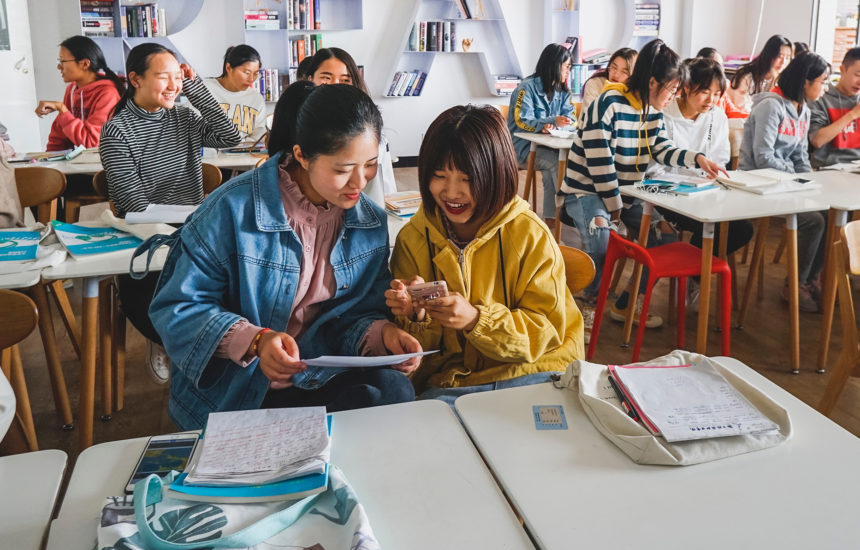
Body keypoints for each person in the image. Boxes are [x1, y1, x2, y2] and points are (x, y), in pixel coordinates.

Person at [144, 82, 421, 430]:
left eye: (369, 165)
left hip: (318, 377)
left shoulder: (367, 221)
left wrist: (383, 335)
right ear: (301, 155)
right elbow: (177, 308)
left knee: (393, 390)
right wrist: (256, 341)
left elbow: (357, 313)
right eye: (341, 169)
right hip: (241, 389)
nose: (359, 182)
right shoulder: (231, 210)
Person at [386, 104, 583, 404]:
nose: (452, 192)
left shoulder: (530, 235)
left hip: (533, 375)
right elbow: (418, 360)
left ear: (497, 173)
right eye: (439, 175)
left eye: (467, 179)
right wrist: (416, 318)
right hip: (453, 387)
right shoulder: (414, 239)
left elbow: (547, 330)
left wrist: (476, 320)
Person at [561, 39, 726, 340]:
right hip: (586, 192)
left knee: (664, 239)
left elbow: (661, 147)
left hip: (626, 194)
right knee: (602, 239)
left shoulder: (653, 111)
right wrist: (615, 211)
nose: (675, 96)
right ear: (653, 82)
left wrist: (697, 158)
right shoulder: (607, 104)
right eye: (673, 89)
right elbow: (600, 165)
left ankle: (625, 303)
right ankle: (586, 306)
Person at [100, 43, 241, 383]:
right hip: (147, 234)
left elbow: (231, 136)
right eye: (164, 77)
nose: (174, 85)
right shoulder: (117, 131)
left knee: (230, 284)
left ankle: (203, 347)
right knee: (158, 289)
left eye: (179, 77)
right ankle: (160, 338)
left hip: (193, 230)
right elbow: (135, 206)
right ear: (135, 78)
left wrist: (194, 88)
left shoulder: (185, 116)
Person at [650, 57, 754, 304]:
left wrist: (705, 178)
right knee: (709, 225)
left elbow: (720, 158)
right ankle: (688, 275)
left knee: (741, 229)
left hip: (704, 191)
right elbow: (655, 168)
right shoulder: (663, 113)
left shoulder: (716, 115)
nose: (711, 100)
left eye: (717, 93)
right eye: (705, 92)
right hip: (668, 194)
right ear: (686, 88)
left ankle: (693, 278)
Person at [739, 52, 831, 312]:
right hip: (757, 183)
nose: (825, 87)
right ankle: (795, 284)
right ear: (805, 81)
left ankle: (812, 278)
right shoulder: (771, 105)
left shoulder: (804, 111)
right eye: (822, 82)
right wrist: (797, 177)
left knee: (827, 211)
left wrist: (810, 183)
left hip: (785, 183)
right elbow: (763, 156)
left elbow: (801, 156)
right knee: (813, 221)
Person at [304, 47, 397, 207]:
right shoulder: (301, 122)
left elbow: (381, 186)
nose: (335, 86)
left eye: (345, 80)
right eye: (326, 78)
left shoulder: (368, 123)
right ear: (310, 79)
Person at [507, 43, 576, 227]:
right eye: (566, 67)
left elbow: (572, 120)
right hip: (521, 149)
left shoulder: (564, 92)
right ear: (554, 65)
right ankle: (568, 208)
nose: (569, 71)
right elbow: (522, 121)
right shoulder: (525, 89)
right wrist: (550, 122)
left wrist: (563, 125)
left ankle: (552, 221)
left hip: (550, 147)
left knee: (555, 167)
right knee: (555, 163)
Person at [36, 35, 124, 152]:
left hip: (101, 164)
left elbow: (92, 143)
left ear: (84, 64)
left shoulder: (108, 93)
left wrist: (62, 109)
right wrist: (50, 160)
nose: (59, 66)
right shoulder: (72, 89)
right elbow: (59, 136)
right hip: (80, 164)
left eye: (62, 61)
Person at [809, 47, 860, 167]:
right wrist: (852, 115)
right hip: (830, 168)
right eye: (858, 75)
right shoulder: (821, 97)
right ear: (842, 70)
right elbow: (817, 141)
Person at [203, 44, 267, 141]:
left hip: (246, 154)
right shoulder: (205, 89)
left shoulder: (256, 99)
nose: (251, 79)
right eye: (247, 73)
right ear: (228, 68)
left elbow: (259, 138)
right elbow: (192, 128)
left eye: (255, 74)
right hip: (210, 154)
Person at [727, 35, 793, 115]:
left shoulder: (782, 79)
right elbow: (740, 108)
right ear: (769, 55)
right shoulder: (747, 77)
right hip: (741, 119)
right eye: (780, 56)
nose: (783, 62)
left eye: (787, 58)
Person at [579, 47, 638, 126]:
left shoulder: (636, 91)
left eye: (624, 71)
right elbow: (589, 119)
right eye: (614, 67)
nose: (616, 74)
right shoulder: (595, 84)